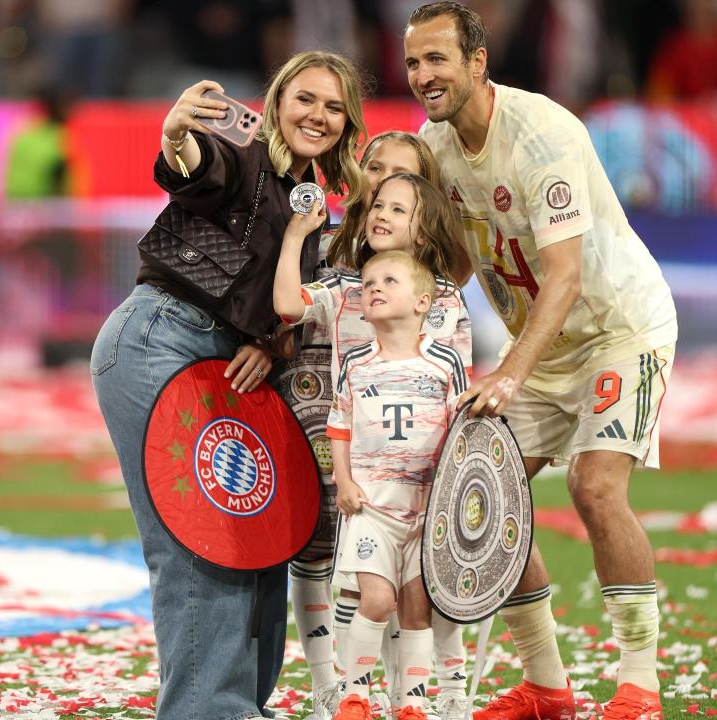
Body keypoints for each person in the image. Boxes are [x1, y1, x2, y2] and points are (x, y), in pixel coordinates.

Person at [403, 3, 678, 720]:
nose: (424, 75)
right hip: (541, 346)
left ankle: (640, 685)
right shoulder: (431, 146)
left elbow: (565, 276)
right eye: (413, 62)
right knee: (484, 498)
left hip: (620, 330)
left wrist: (508, 373)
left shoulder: (542, 133)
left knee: (594, 486)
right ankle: (547, 686)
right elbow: (457, 262)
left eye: (437, 58)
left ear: (478, 61)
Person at [90, 51, 366, 720]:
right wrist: (176, 137)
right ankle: (207, 711)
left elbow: (285, 304)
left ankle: (239, 705)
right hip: (160, 341)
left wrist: (269, 342)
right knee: (201, 541)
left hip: (221, 366)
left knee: (259, 537)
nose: (318, 115)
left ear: (348, 124)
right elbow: (197, 166)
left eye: (334, 107)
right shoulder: (244, 154)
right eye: (305, 99)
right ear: (276, 104)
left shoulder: (311, 208)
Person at [279, 134, 471, 720]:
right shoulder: (342, 282)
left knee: (422, 593)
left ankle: (435, 695)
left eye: (400, 190)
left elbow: (457, 401)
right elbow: (288, 307)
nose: (382, 196)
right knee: (352, 576)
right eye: (376, 175)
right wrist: (296, 236)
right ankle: (341, 691)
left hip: (421, 483)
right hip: (355, 464)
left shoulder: (444, 302)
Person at [326, 249, 468, 720]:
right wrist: (344, 482)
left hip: (428, 512)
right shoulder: (356, 363)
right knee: (377, 599)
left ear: (423, 302)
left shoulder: (445, 362)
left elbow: (462, 429)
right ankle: (354, 696)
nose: (375, 288)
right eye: (368, 284)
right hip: (371, 508)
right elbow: (339, 426)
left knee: (416, 607)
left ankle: (413, 702)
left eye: (389, 281)